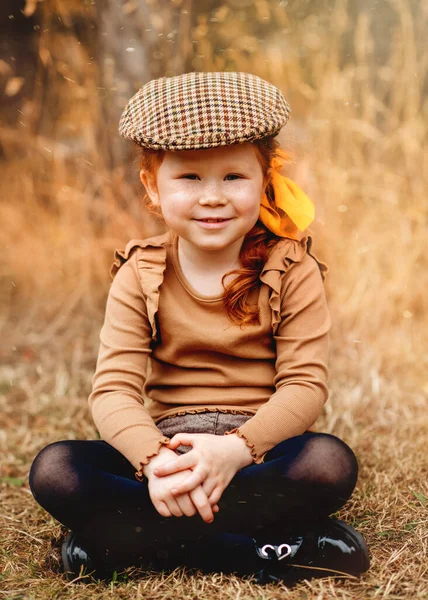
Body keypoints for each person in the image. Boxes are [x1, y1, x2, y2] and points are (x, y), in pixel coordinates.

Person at [29, 71, 370, 584]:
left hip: (256, 453)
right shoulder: (140, 272)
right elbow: (114, 391)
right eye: (189, 178)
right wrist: (156, 463)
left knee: (326, 462)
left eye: (234, 177)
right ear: (152, 185)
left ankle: (125, 542)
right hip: (167, 450)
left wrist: (234, 451)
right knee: (56, 469)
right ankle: (266, 549)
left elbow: (303, 386)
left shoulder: (289, 268)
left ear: (264, 181)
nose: (213, 197)